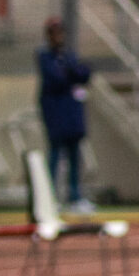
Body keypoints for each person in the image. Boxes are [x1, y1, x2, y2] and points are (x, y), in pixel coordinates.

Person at [35, 17, 94, 215]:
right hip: (56, 116)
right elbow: (57, 78)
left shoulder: (68, 56)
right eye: (54, 33)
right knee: (55, 155)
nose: (58, 36)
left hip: (72, 116)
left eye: (60, 32)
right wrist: (72, 72)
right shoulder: (45, 57)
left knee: (74, 157)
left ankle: (75, 197)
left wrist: (72, 71)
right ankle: (50, 198)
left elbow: (83, 74)